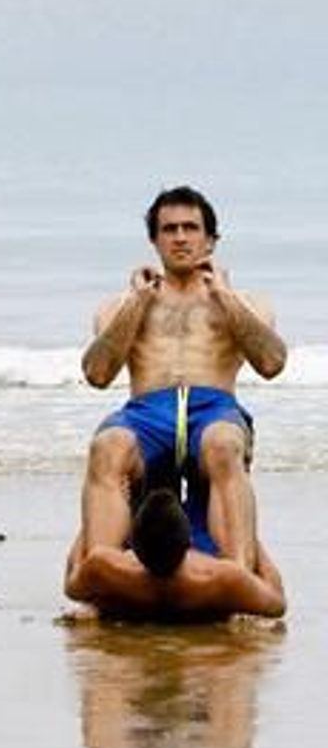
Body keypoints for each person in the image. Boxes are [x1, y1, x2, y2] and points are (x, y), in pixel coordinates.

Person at [70, 185, 287, 614]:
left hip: (214, 407)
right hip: (148, 411)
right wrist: (139, 301)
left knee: (224, 442)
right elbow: (97, 374)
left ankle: (237, 581)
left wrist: (224, 296)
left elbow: (271, 361)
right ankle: (103, 581)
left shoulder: (246, 303)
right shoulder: (122, 304)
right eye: (169, 229)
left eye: (191, 228)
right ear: (155, 240)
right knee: (106, 446)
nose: (181, 237)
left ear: (211, 239)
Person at [64, 488, 286, 620]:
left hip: (130, 591)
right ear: (190, 542)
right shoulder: (224, 578)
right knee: (208, 489)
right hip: (201, 590)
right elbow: (277, 602)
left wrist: (88, 527)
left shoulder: (105, 566)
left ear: (131, 543)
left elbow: (71, 584)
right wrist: (251, 538)